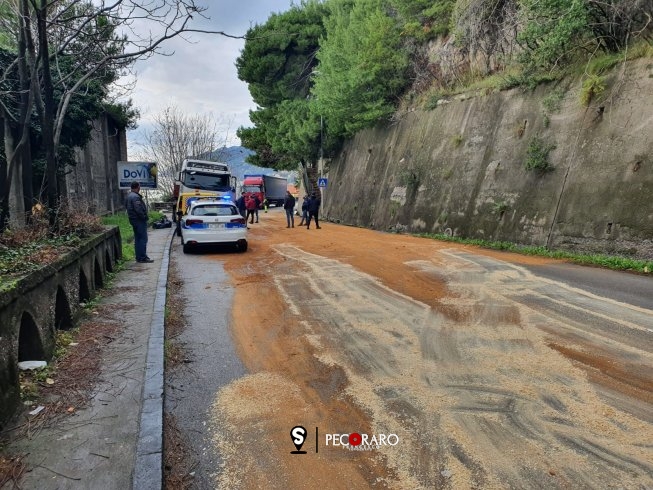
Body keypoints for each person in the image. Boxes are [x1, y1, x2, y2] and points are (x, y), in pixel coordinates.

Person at [125, 181, 153, 263]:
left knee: (137, 239)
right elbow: (138, 209)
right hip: (139, 220)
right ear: (137, 187)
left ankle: (139, 257)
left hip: (133, 220)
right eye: (139, 186)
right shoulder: (135, 197)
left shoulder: (129, 196)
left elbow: (126, 207)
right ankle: (142, 257)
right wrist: (144, 217)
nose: (140, 188)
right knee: (143, 239)